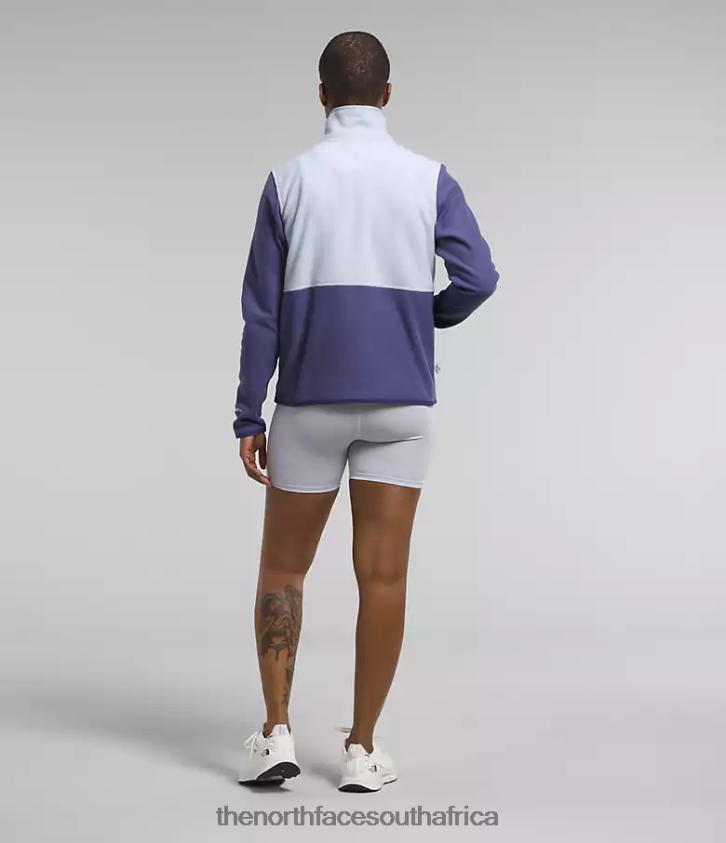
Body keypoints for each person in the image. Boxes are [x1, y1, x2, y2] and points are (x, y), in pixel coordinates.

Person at [234, 31, 499, 793]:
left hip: (308, 404)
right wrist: (423, 317)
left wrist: (248, 414)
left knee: (285, 566)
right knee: (382, 576)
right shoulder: (428, 177)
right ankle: (361, 747)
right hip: (402, 407)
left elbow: (261, 315)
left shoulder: (288, 180)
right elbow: (479, 277)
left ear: (322, 95)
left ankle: (276, 734)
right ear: (387, 95)